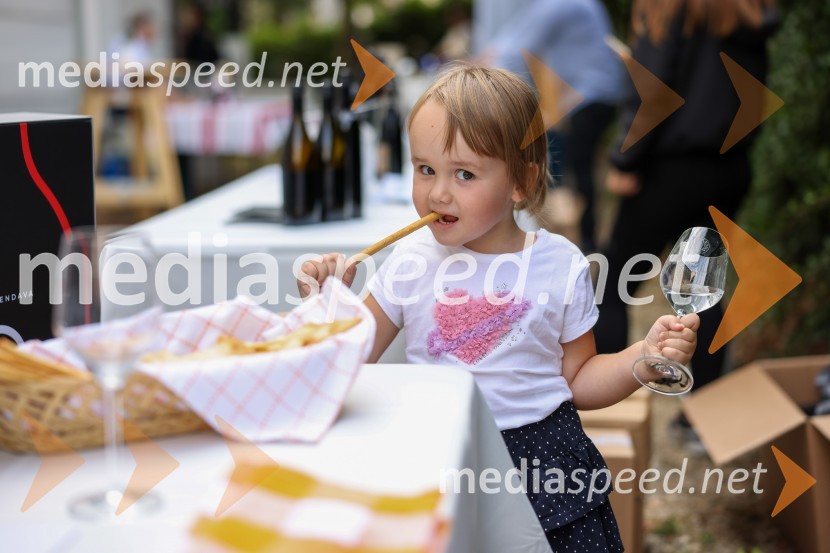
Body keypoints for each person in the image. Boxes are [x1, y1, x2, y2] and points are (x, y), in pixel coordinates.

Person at [298, 65, 699, 551]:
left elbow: (579, 381)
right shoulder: (410, 262)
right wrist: (327, 307)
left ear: (520, 183)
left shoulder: (559, 264)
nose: (437, 192)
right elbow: (348, 360)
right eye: (425, 169)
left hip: (542, 461)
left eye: (463, 173)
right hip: (443, 449)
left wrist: (644, 356)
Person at [594, 0, 779, 398]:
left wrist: (624, 159)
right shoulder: (747, 9)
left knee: (611, 283)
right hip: (728, 166)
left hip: (672, 167)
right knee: (702, 290)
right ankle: (706, 415)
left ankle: (610, 411)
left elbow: (654, 91)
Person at [482, 0, 625, 252]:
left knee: (565, 166)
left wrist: (478, 78)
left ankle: (574, 243)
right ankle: (581, 240)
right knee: (576, 166)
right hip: (595, 95)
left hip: (587, 96)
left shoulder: (559, 4)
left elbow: (514, 48)